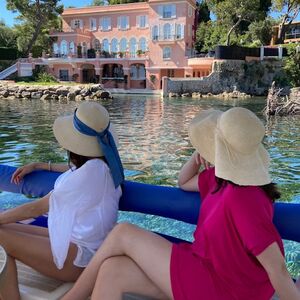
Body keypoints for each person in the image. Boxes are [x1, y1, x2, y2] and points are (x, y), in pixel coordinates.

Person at [61, 107, 300, 300]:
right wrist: (196, 157)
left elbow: (276, 267)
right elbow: (184, 182)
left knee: (123, 232)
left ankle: (71, 298)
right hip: (203, 270)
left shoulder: (246, 198)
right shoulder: (220, 180)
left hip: (224, 289)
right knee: (112, 271)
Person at [0, 101, 124, 300]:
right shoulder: (103, 164)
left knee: (1, 235)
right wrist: (40, 165)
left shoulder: (91, 173)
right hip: (81, 245)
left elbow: (37, 208)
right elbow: (76, 170)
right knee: (5, 225)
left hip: (80, 259)